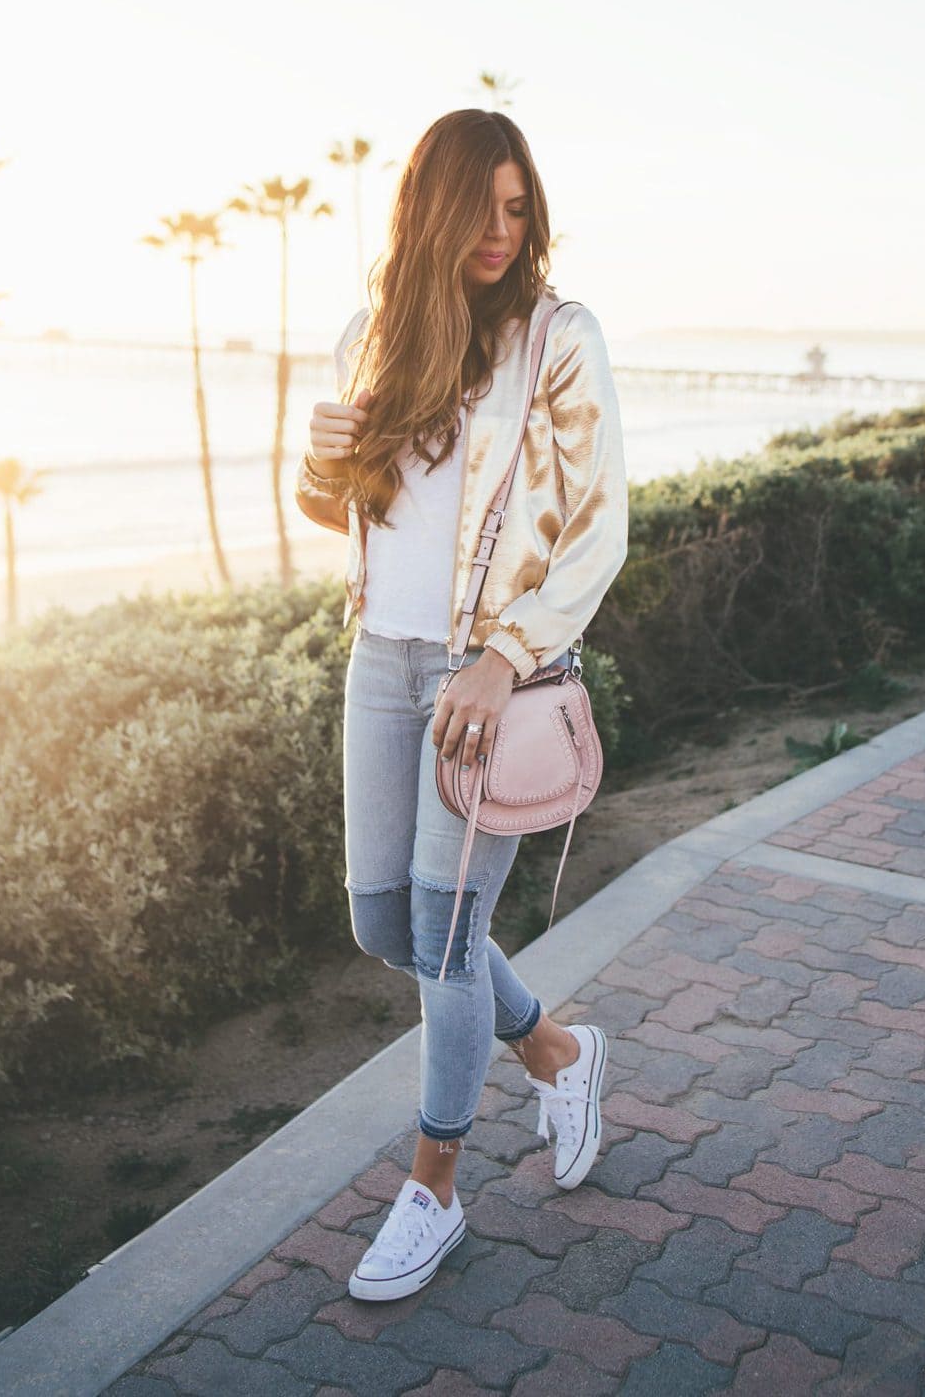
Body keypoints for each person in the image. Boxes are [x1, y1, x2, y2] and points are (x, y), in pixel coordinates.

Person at [295, 108, 629, 1301]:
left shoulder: (558, 340)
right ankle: (556, 1048)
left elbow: (596, 531)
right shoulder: (368, 340)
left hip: (486, 678)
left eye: (519, 203)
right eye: (483, 204)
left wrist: (504, 656)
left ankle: (434, 1188)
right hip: (379, 667)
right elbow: (350, 513)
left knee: (441, 933)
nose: (504, 227)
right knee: (382, 923)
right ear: (430, 207)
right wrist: (317, 465)